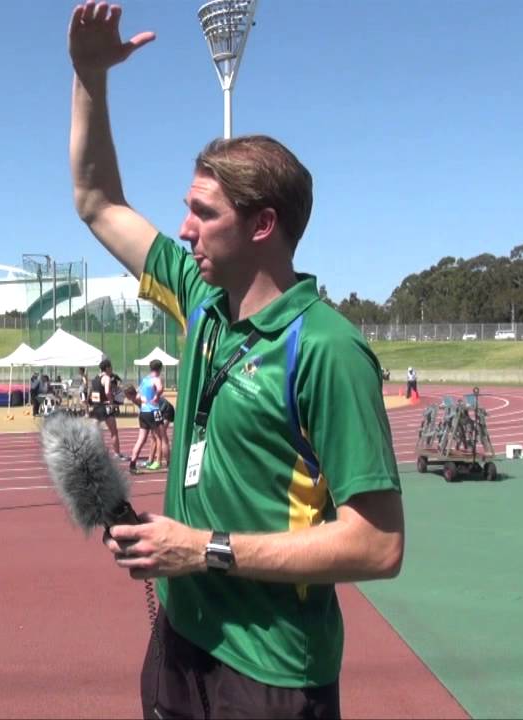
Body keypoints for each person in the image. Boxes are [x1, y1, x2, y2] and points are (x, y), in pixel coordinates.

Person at [68, 5, 405, 718]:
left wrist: (205, 550)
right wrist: (90, 77)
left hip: (273, 671)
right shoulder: (201, 298)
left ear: (262, 225)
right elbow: (97, 202)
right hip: (182, 642)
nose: (183, 227)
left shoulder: (325, 348)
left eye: (203, 212)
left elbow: (377, 545)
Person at [127, 359, 166, 473]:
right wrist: (156, 397)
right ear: (160, 369)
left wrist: (144, 399)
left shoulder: (144, 380)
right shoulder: (156, 379)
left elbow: (138, 395)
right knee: (159, 437)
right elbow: (160, 388)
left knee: (141, 439)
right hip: (153, 410)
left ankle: (133, 463)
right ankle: (157, 462)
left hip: (143, 412)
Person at [88, 358, 125, 458]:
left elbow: (92, 393)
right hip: (106, 407)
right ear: (107, 368)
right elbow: (107, 391)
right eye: (111, 367)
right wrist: (112, 403)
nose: (111, 369)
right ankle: (117, 453)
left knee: (94, 432)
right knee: (114, 431)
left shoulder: (95, 379)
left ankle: (92, 453)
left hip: (96, 407)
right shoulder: (107, 378)